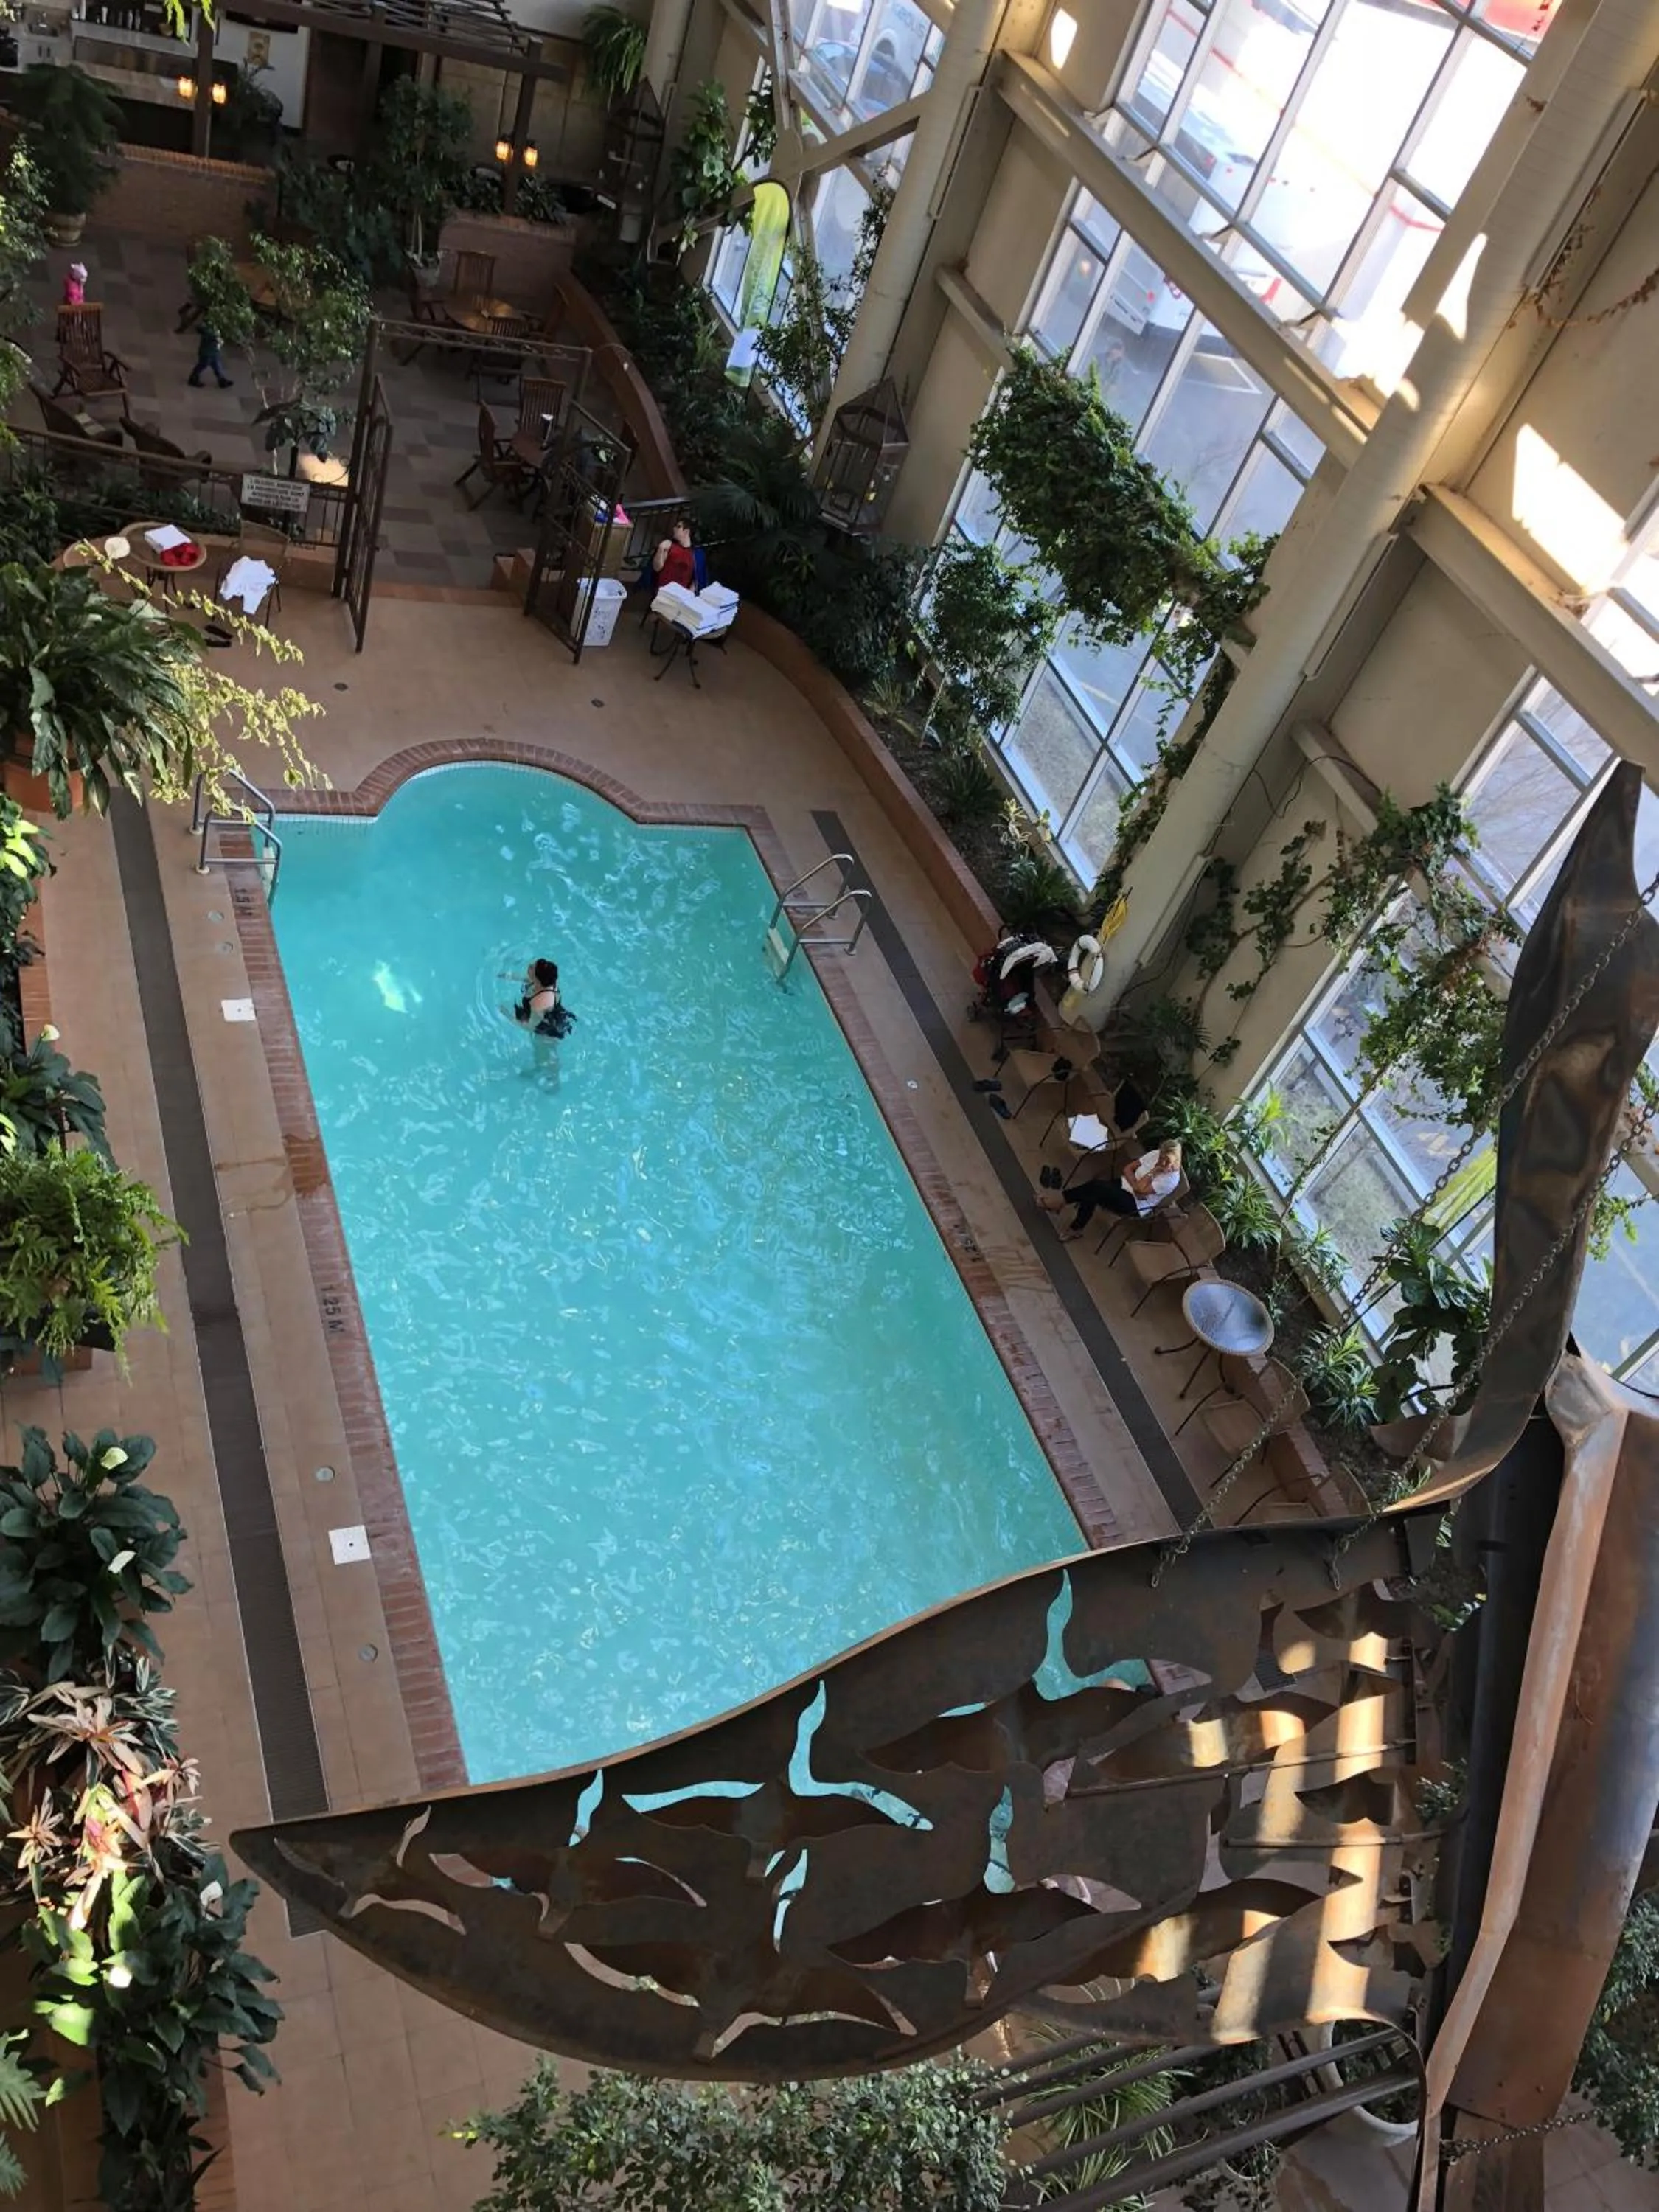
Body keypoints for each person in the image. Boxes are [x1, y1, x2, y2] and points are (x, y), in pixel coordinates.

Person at [1039, 1140, 1182, 1242]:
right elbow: (1128, 1168)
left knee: (1095, 1188)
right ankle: (1074, 1226)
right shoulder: (1155, 1154)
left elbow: (1139, 1191)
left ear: (1177, 1161)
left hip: (1135, 1204)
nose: (1162, 1162)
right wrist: (1135, 1183)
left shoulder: (1171, 1180)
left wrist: (1154, 1171)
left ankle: (1061, 1205)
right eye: (1161, 1158)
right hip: (1123, 1184)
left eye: (1167, 1161)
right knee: (1093, 1191)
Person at [512, 958, 574, 1040]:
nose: (529, 966)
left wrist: (509, 1016)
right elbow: (527, 979)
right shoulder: (550, 982)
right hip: (555, 1012)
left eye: (532, 967)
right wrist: (507, 976)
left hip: (548, 1030)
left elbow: (531, 1027)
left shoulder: (538, 1004)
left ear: (537, 979)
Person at [653, 517, 698, 594]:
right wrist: (661, 549)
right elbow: (657, 568)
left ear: (686, 532)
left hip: (680, 596)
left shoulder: (695, 554)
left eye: (678, 527)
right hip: (663, 593)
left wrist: (689, 595)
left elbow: (696, 578)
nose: (674, 529)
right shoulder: (669, 546)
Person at [188, 322, 233, 390]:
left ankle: (221, 380)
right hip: (207, 353)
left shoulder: (215, 330)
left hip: (214, 352)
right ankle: (193, 378)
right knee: (203, 365)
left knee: (217, 366)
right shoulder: (209, 330)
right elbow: (202, 330)